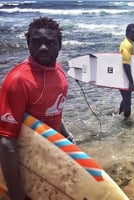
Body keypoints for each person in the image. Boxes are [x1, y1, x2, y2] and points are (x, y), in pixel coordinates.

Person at [0, 17, 74, 200]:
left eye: (49, 43)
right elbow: (6, 142)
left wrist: (66, 135)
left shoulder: (59, 74)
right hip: (26, 164)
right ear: (28, 43)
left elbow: (54, 108)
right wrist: (17, 195)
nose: (43, 48)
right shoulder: (18, 81)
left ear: (60, 45)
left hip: (50, 155)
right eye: (36, 42)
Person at [118, 23, 134, 119]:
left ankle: (119, 115)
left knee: (125, 99)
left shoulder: (129, 43)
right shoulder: (127, 45)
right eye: (133, 33)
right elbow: (125, 63)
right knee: (128, 102)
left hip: (124, 76)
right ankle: (126, 122)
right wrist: (131, 81)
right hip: (124, 77)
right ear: (127, 33)